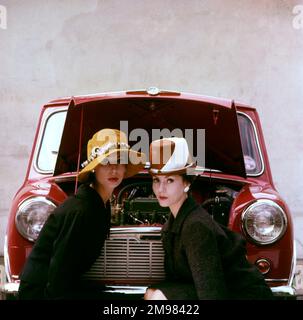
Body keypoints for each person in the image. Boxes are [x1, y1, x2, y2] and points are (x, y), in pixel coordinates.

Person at [18, 128, 145, 300]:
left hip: (67, 286)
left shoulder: (101, 203)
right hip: (42, 293)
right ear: (94, 168)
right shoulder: (81, 210)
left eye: (120, 161)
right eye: (106, 161)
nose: (114, 169)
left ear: (125, 168)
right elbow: (58, 273)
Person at [144, 137, 273, 300]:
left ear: (186, 182)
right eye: (156, 180)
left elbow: (212, 292)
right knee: (152, 293)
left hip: (243, 295)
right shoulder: (174, 222)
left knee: (158, 298)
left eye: (170, 180)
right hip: (223, 291)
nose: (161, 189)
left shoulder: (196, 225)